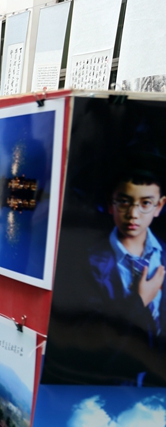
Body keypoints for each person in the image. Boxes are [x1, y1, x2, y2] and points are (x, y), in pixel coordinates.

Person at [45, 161, 166, 386]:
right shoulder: (86, 261)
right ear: (111, 204)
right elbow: (85, 337)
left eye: (145, 203)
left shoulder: (163, 254)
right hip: (111, 380)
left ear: (159, 206)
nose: (133, 214)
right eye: (124, 202)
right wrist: (138, 301)